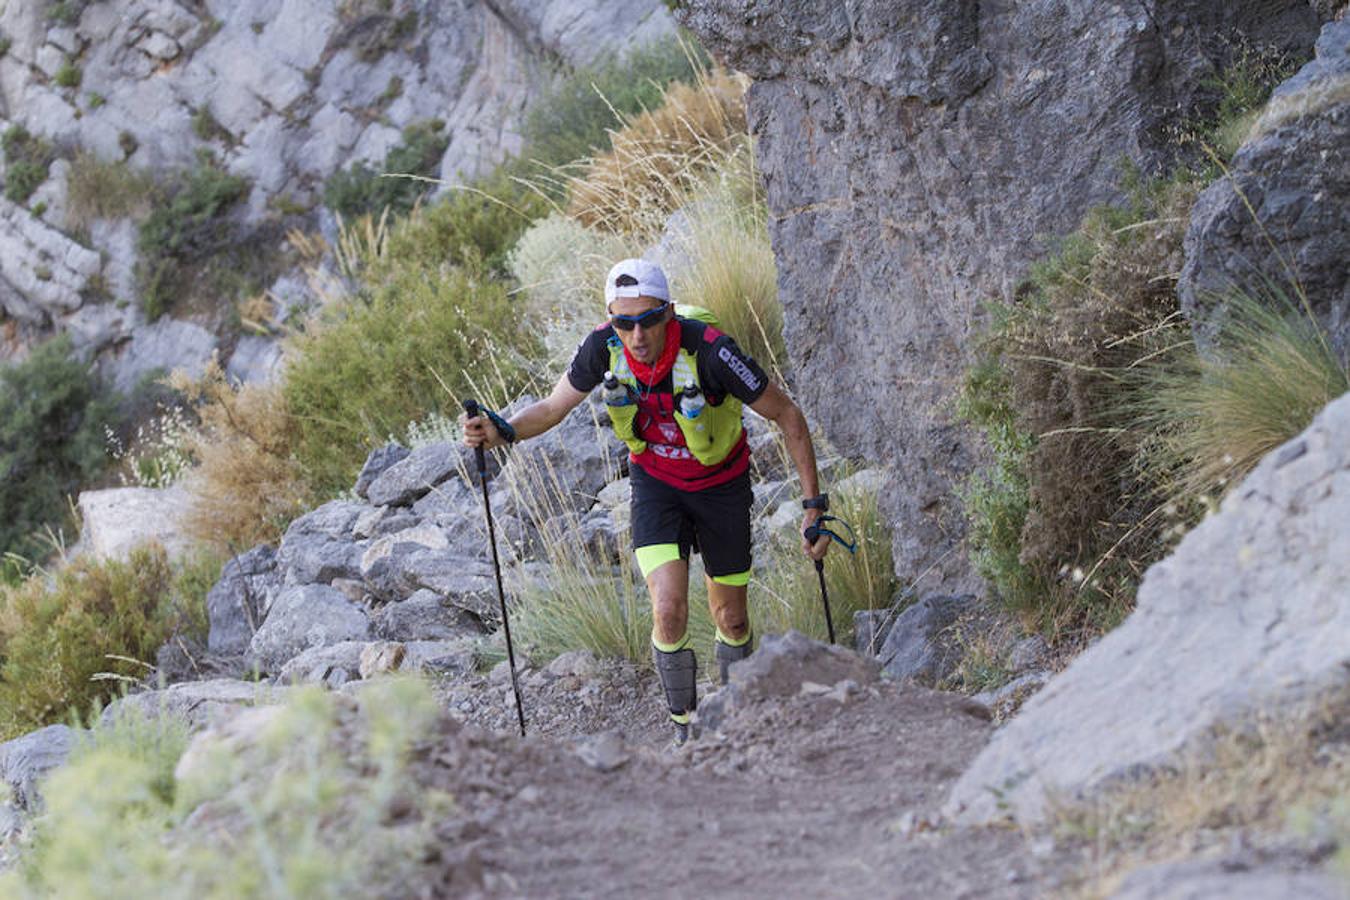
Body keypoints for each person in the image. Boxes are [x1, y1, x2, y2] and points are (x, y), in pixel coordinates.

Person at [463, 258, 830, 743]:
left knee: (732, 617)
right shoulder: (603, 348)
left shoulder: (712, 352)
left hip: (722, 485)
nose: (636, 334)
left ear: (670, 313)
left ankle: (737, 724)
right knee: (668, 610)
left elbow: (787, 415)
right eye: (623, 322)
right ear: (612, 320)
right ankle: (687, 734)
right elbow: (553, 407)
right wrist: (502, 429)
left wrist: (813, 506)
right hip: (657, 487)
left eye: (649, 320)